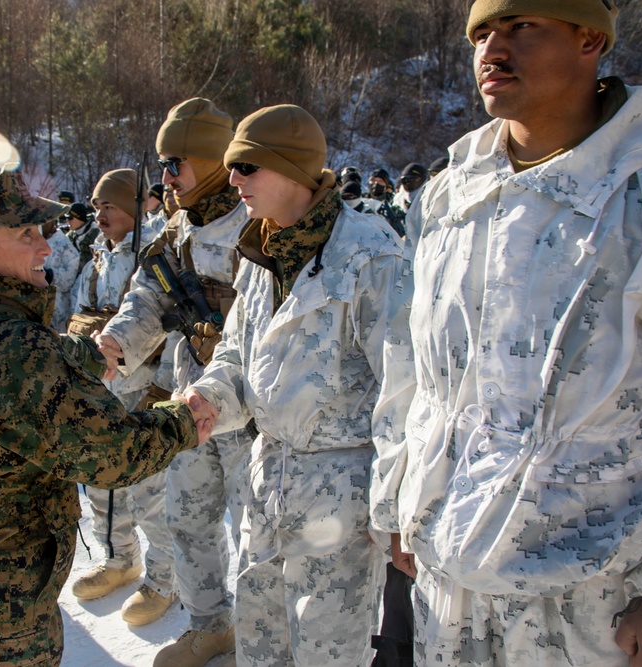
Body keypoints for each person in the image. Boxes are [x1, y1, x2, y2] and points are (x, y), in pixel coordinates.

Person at [375, 1, 642, 665]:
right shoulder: (448, 198)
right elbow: (410, 369)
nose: (493, 49)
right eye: (481, 32)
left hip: (595, 605)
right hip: (448, 590)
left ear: (589, 39)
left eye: (521, 28)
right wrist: (397, 501)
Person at [0, 168, 210, 667]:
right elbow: (111, 454)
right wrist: (183, 420)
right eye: (25, 235)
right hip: (3, 593)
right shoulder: (12, 346)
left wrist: (77, 353)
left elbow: (6, 370)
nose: (44, 248)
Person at [184, 103, 404, 666]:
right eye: (232, 166)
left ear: (294, 170)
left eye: (247, 167)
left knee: (327, 652)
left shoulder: (370, 255)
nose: (232, 179)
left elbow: (407, 390)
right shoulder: (264, 252)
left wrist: (398, 508)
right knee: (259, 639)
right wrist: (210, 396)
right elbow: (236, 351)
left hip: (341, 492)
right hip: (264, 477)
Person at [97, 97, 252, 667]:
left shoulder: (257, 222)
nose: (166, 176)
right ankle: (212, 625)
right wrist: (116, 344)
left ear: (213, 159)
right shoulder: (176, 228)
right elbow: (147, 298)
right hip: (190, 397)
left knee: (261, 535)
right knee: (188, 518)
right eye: (163, 162)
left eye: (177, 162)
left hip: (251, 406)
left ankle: (268, 641)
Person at [68, 168, 175, 627]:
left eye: (108, 205)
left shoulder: (154, 254)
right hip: (99, 391)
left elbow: (171, 326)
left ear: (132, 208)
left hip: (143, 392)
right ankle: (118, 559)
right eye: (95, 206)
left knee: (152, 492)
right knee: (100, 480)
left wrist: (163, 388)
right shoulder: (97, 254)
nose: (99, 213)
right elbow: (76, 311)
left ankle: (166, 578)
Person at [41, 215, 80, 333]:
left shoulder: (65, 245)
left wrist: (49, 275)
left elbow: (69, 279)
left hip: (58, 310)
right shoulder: (35, 241)